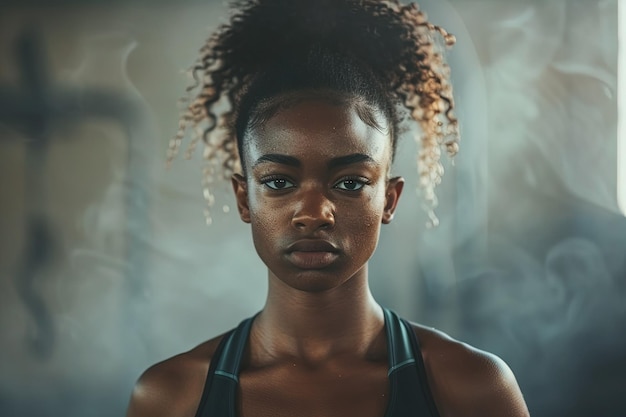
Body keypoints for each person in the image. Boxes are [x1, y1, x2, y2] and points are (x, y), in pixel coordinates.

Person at [127, 0, 530, 416]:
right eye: (279, 182)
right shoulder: (170, 397)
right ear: (244, 198)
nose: (314, 213)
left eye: (350, 182)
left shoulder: (472, 389)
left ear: (389, 200)